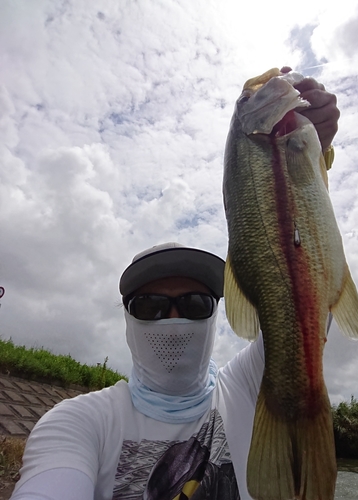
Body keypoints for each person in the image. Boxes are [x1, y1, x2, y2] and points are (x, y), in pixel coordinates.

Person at [11, 73, 339, 500]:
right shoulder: (78, 422)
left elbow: (309, 294)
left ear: (218, 312)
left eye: (196, 302)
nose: (174, 318)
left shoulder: (246, 384)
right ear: (126, 316)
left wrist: (316, 155)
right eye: (149, 306)